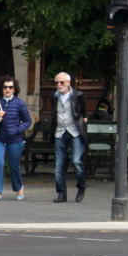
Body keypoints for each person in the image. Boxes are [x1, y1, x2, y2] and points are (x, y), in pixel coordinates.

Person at [0, 75, 32, 202]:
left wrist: (17, 130)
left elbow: (28, 121)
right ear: (2, 89)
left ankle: (19, 187)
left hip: (15, 139)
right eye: (5, 87)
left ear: (14, 89)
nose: (7, 89)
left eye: (10, 87)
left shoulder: (19, 103)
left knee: (14, 166)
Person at [50, 71, 88, 203]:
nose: (59, 85)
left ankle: (81, 186)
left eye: (62, 82)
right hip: (60, 132)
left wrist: (85, 119)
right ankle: (61, 194)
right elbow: (54, 113)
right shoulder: (54, 97)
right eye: (57, 82)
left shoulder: (78, 95)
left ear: (68, 83)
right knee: (58, 166)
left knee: (77, 161)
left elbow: (83, 110)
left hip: (75, 131)